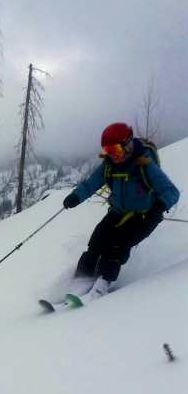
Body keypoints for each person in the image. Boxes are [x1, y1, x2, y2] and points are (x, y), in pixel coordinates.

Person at [63, 122, 180, 298]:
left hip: (145, 216)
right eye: (106, 150)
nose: (111, 155)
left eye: (115, 149)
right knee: (97, 239)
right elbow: (91, 183)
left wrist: (159, 207)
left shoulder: (145, 165)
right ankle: (79, 280)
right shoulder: (109, 166)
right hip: (118, 212)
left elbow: (172, 191)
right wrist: (76, 196)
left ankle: (101, 287)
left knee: (115, 244)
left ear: (128, 146)